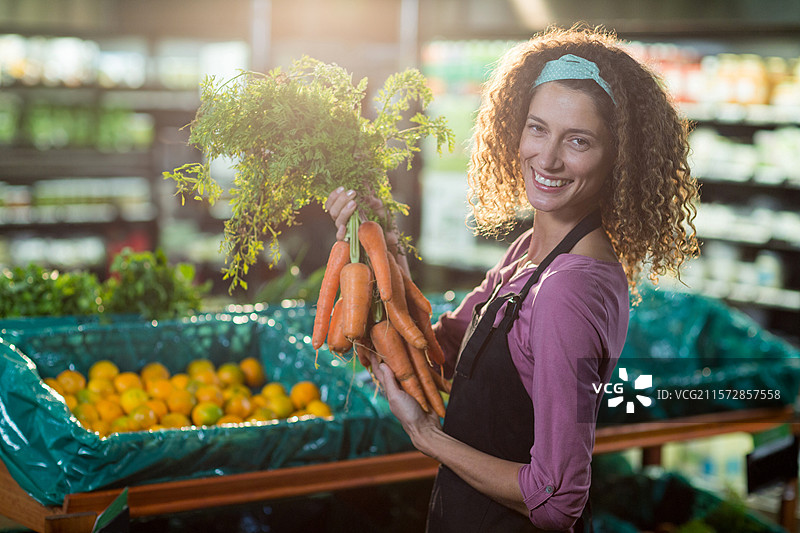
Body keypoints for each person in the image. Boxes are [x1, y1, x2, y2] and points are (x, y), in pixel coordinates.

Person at [325, 25, 698, 532]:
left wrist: (428, 436)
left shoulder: (567, 289)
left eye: (579, 141)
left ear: (619, 160)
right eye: (537, 128)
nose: (546, 158)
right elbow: (441, 352)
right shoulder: (532, 250)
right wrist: (381, 247)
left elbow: (556, 501)